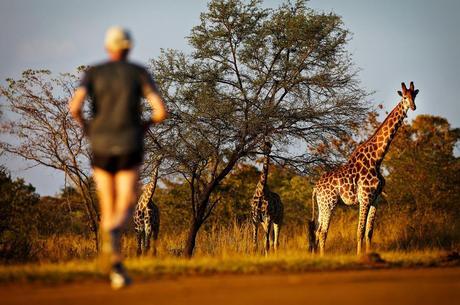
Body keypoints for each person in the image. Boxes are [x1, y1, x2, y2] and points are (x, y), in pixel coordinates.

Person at [69, 26, 167, 289]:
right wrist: (144, 127)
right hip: (129, 144)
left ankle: (113, 260)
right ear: (129, 47)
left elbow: (74, 107)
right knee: (126, 203)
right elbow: (160, 111)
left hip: (100, 145)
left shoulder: (93, 73)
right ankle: (114, 241)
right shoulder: (139, 73)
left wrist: (89, 128)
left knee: (108, 204)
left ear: (107, 48)